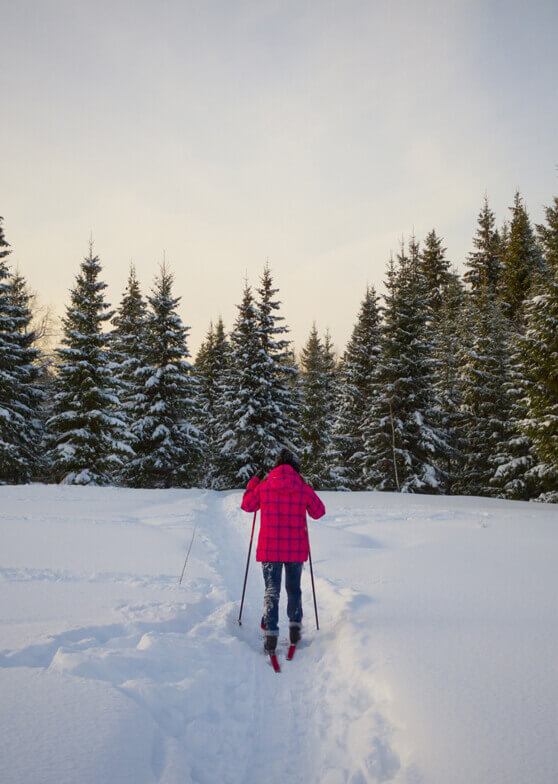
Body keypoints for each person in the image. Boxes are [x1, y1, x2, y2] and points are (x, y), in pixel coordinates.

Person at [241, 447, 326, 653]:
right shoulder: (303, 488)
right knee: (293, 589)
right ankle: (295, 628)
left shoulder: (263, 487)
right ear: (296, 467)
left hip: (270, 549)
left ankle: (270, 635)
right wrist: (308, 490)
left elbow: (247, 505)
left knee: (272, 591)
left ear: (276, 465)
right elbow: (319, 512)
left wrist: (252, 483)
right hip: (295, 549)